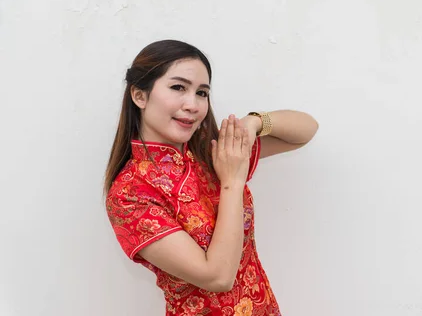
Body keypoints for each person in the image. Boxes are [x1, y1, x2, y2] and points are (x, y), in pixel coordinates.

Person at [104, 39, 319, 315]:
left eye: (202, 93)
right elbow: (218, 277)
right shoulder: (130, 194)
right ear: (140, 96)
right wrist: (231, 182)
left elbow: (306, 131)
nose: (192, 105)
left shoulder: (211, 152)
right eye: (178, 87)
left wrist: (253, 122)